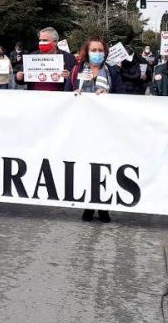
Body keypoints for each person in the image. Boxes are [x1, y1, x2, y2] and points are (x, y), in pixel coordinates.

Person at [69, 38, 124, 222]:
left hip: (106, 127)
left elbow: (124, 95)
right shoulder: (77, 70)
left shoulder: (112, 71)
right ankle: (88, 204)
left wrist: (109, 96)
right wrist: (73, 94)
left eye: (100, 50)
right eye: (93, 50)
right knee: (86, 165)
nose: (97, 53)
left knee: (104, 166)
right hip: (82, 125)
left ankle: (103, 206)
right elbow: (66, 92)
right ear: (87, 51)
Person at [14, 27, 76, 92]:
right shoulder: (32, 56)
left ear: (55, 42)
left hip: (60, 96)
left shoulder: (69, 57)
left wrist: (70, 76)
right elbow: (22, 78)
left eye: (44, 40)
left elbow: (77, 80)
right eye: (40, 40)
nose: (41, 43)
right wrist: (18, 77)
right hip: (35, 95)